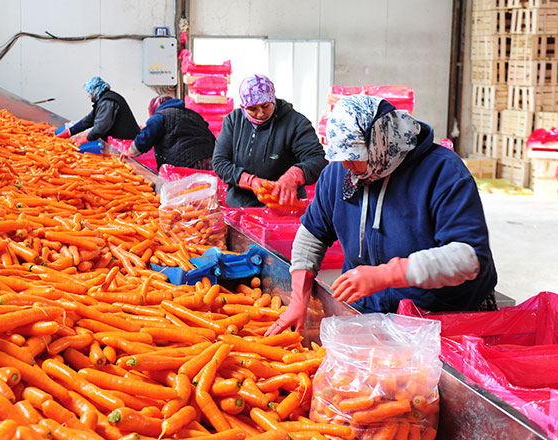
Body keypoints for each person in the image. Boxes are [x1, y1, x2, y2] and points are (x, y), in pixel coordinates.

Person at [265, 95, 498, 335]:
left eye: (353, 157)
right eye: (340, 157)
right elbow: (313, 233)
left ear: (381, 143)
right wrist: (298, 298)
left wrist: (385, 275)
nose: (345, 165)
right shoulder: (340, 173)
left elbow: (467, 258)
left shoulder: (442, 173)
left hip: (440, 318)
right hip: (369, 312)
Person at [212, 74, 328, 207]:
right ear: (243, 106)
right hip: (241, 207)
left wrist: (294, 176)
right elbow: (219, 161)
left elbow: (318, 159)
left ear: (273, 99)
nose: (260, 113)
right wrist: (249, 181)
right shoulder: (234, 121)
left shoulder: (295, 123)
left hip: (284, 206)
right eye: (252, 109)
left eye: (265, 106)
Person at [123, 95, 215, 170]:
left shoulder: (160, 116)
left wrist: (130, 152)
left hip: (184, 164)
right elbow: (210, 135)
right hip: (209, 160)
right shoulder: (193, 114)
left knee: (186, 191)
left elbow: (146, 136)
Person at [56, 76, 140, 143]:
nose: (88, 95)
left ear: (95, 90)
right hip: (120, 140)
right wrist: (70, 131)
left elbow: (100, 127)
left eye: (89, 92)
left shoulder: (107, 102)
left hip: (126, 142)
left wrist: (86, 139)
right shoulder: (103, 100)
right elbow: (89, 120)